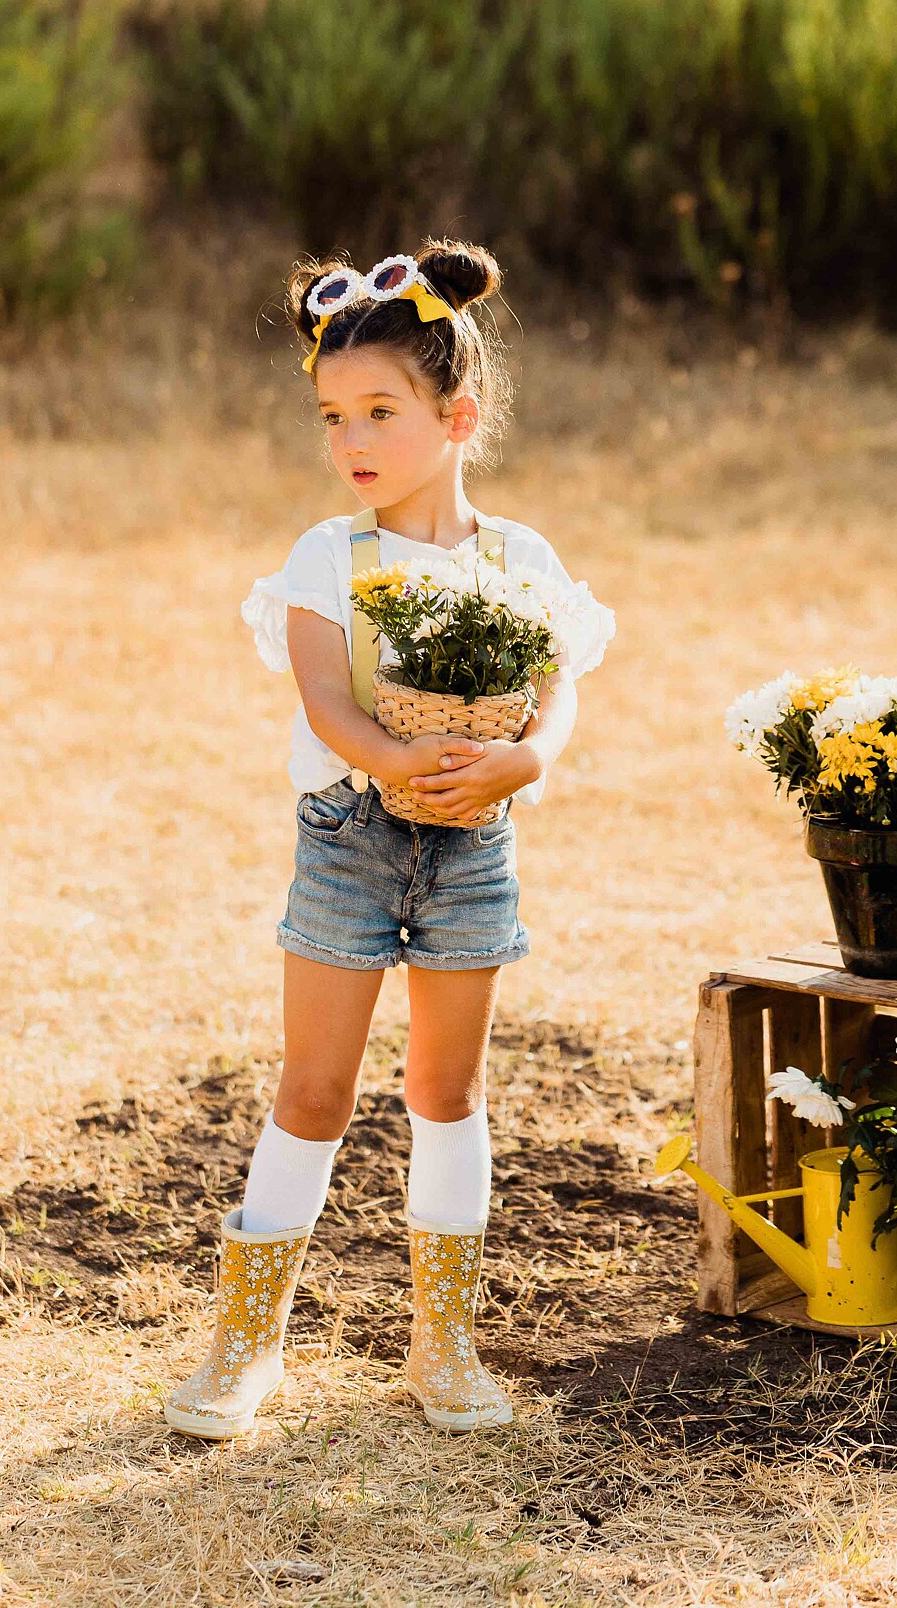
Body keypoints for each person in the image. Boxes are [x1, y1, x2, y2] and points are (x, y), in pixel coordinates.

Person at [164, 240, 613, 1440]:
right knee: (313, 1089)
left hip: (474, 844)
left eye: (380, 410)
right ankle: (246, 1344)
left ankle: (441, 1340)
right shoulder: (331, 556)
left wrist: (529, 757)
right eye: (331, 416)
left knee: (446, 1088)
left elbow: (558, 686)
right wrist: (392, 756)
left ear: (456, 414)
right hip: (350, 839)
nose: (351, 439)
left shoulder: (520, 560)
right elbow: (325, 697)